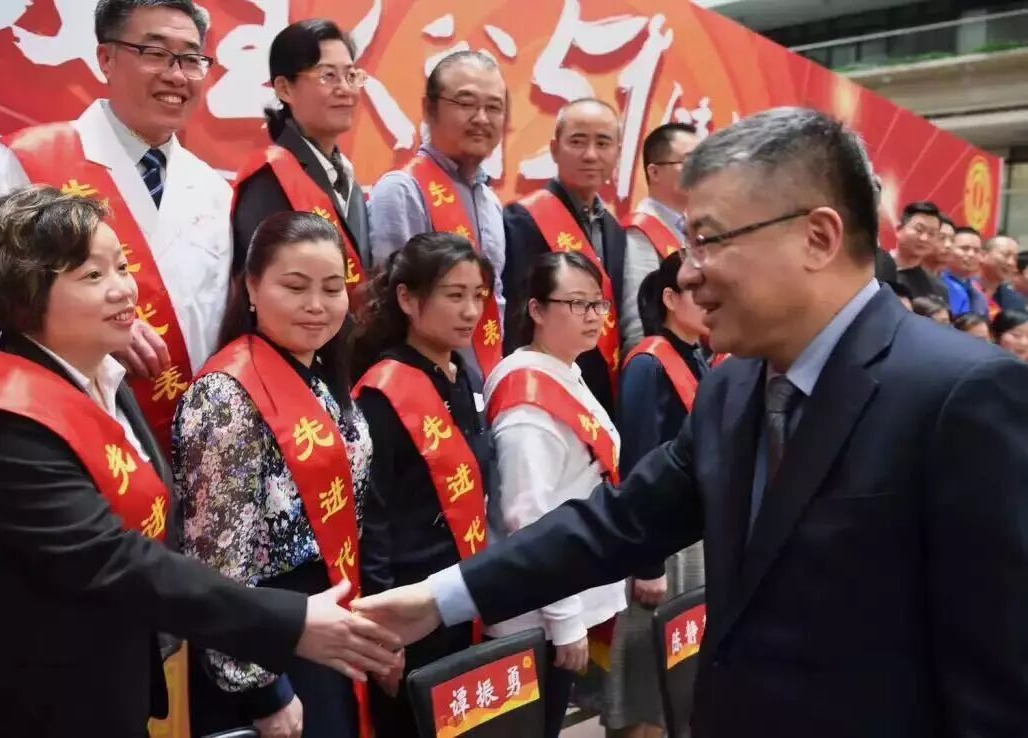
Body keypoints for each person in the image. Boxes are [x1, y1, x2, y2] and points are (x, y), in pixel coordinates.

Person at [353, 107, 1028, 738]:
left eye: (708, 240)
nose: (690, 274)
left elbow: (997, 675)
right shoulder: (734, 386)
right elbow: (617, 524)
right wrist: (438, 598)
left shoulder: (959, 395)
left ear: (817, 237)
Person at [0, 186, 400, 738]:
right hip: (37, 704)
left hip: (114, 684)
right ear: (26, 294)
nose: (124, 289)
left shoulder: (104, 380)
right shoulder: (3, 422)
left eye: (122, 267)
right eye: (93, 276)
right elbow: (115, 560)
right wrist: (286, 622)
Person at [0, 0, 235, 450]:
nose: (176, 75)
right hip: (60, 431)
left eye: (190, 58)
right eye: (155, 53)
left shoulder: (215, 190)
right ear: (106, 58)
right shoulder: (26, 161)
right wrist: (84, 338)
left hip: (189, 445)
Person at [173, 211, 372, 738]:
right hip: (268, 639)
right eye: (295, 286)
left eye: (332, 288)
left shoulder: (321, 372)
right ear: (252, 288)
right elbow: (215, 566)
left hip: (329, 614)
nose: (316, 304)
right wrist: (262, 690)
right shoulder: (225, 396)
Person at [351, 232, 499, 738]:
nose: (471, 311)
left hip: (459, 591)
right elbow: (372, 524)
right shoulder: (382, 392)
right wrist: (383, 634)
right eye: (454, 295)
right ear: (408, 300)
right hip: (410, 606)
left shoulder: (464, 376)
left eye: (478, 295)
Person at [484, 251, 625, 738]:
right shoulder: (529, 401)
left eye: (598, 304)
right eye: (576, 303)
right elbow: (529, 519)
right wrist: (564, 620)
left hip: (567, 589)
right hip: (538, 614)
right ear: (537, 309)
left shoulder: (564, 369)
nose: (593, 316)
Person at [603, 252, 710, 738]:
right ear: (669, 298)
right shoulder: (649, 363)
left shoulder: (698, 355)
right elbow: (640, 467)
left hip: (695, 534)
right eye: (695, 291)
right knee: (646, 681)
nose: (708, 300)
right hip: (662, 545)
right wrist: (647, 563)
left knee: (681, 674)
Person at [368, 51, 508, 383]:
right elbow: (387, 305)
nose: (482, 118)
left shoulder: (490, 201)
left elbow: (495, 300)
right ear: (430, 109)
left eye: (494, 107)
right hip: (418, 386)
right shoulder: (403, 190)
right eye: (466, 103)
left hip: (480, 383)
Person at [502, 99, 626, 419]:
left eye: (603, 143)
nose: (590, 155)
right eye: (578, 141)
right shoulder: (523, 219)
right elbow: (517, 319)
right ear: (555, 150)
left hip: (598, 391)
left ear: (618, 152)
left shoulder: (615, 231)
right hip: (542, 391)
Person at [232, 19, 371, 285]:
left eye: (351, 76)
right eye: (328, 75)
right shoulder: (269, 178)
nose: (345, 89)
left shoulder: (347, 178)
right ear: (285, 88)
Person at [619, 123, 699, 353]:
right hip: (666, 363)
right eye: (689, 161)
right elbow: (638, 322)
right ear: (654, 172)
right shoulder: (640, 231)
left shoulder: (693, 226)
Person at [892, 201, 948, 301]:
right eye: (919, 230)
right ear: (899, 229)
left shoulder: (937, 289)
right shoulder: (870, 268)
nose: (924, 238)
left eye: (932, 233)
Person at [941, 226, 988, 318]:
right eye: (964, 248)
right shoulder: (938, 283)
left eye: (977, 250)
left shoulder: (978, 293)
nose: (971, 254)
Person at [978, 235, 1026, 316]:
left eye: (1015, 259)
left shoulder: (1015, 301)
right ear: (983, 255)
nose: (1011, 263)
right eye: (1006, 255)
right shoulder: (963, 287)